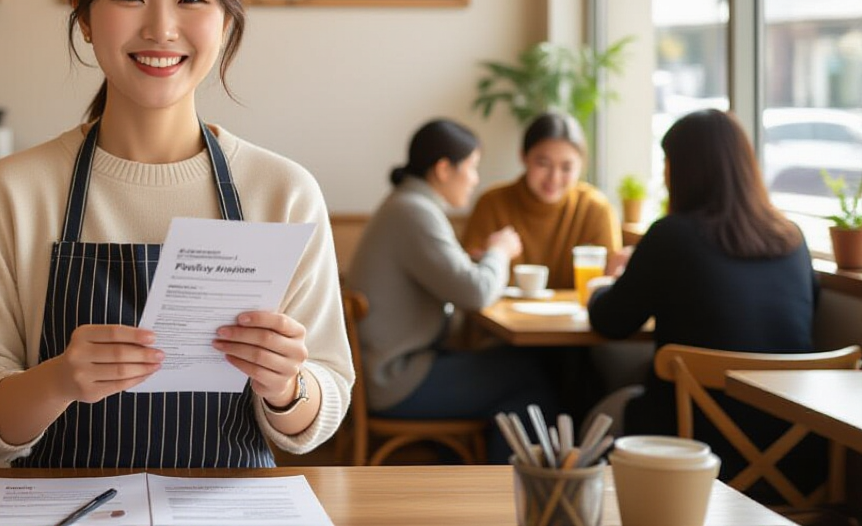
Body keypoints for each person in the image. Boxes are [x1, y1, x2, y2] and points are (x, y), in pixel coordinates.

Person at [0, 0, 352, 468]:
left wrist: (285, 385)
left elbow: (319, 414)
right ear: (82, 16)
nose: (160, 28)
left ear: (227, 20)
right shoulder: (13, 192)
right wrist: (56, 382)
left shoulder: (283, 192)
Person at [588, 109, 818, 497]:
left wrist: (604, 284)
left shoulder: (672, 236)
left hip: (690, 448)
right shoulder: (792, 238)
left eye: (667, 163)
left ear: (684, 170)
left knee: (599, 415)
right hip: (795, 449)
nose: (663, 175)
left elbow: (611, 321)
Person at [346, 119, 554, 463]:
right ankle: (513, 495)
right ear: (444, 169)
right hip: (395, 380)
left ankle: (486, 482)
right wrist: (498, 251)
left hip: (388, 372)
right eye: (472, 168)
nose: (475, 179)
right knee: (528, 375)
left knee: (514, 373)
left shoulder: (406, 205)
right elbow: (477, 292)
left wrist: (477, 261)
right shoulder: (414, 212)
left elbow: (454, 280)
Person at [462, 112, 620, 289]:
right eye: (543, 164)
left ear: (581, 166)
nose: (554, 177)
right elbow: (472, 278)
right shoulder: (492, 203)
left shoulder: (595, 208)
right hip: (502, 315)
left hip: (573, 315)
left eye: (566, 167)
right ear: (523, 157)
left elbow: (607, 284)